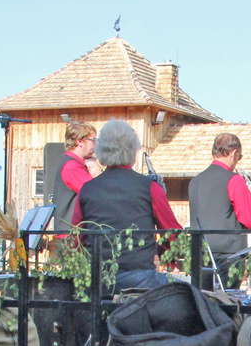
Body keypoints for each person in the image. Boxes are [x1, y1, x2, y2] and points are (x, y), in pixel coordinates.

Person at [71, 120, 182, 292]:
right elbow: (173, 235)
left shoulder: (87, 190)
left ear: (101, 150)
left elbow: (76, 240)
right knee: (188, 291)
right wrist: (160, 251)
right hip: (141, 281)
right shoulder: (149, 187)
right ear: (132, 149)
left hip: (98, 281)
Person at [188, 132, 251, 288]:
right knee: (227, 303)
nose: (237, 161)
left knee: (203, 301)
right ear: (233, 153)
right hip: (229, 255)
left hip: (200, 251)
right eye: (239, 157)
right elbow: (249, 221)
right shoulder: (234, 180)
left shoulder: (195, 181)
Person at [49, 120, 98, 231]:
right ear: (79, 141)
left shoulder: (73, 164)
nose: (95, 145)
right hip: (71, 237)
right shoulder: (72, 166)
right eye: (93, 140)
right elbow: (94, 194)